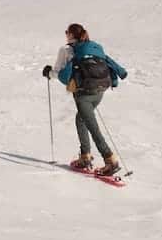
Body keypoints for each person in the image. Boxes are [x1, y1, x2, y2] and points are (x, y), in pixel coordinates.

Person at [42, 23, 128, 176]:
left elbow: (58, 73)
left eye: (67, 32)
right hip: (100, 90)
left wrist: (48, 73)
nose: (65, 34)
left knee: (92, 127)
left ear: (71, 35)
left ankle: (110, 160)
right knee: (81, 119)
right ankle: (85, 157)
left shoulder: (67, 50)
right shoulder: (95, 47)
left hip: (84, 94)